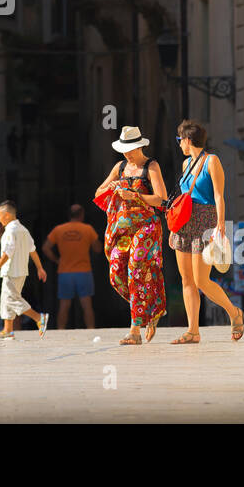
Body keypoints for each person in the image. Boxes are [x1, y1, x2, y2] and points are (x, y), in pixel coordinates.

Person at [169, 120, 244, 344]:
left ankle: (234, 313)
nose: (179, 144)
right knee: (186, 280)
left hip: (205, 220)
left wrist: (220, 223)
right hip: (184, 222)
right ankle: (193, 331)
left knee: (202, 280)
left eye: (179, 139)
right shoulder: (185, 165)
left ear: (188, 140)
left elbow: (219, 195)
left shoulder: (212, 161)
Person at [93, 126, 167, 344]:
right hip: (123, 228)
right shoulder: (120, 167)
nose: (127, 154)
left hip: (146, 226)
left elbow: (161, 199)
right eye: (124, 149)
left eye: (131, 149)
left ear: (140, 146)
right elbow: (98, 193)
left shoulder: (151, 166)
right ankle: (151, 310)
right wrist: (112, 187)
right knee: (116, 271)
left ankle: (135, 329)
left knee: (136, 268)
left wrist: (135, 196)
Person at [0, 201, 48, 338]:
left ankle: (39, 318)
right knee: (6, 299)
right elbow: (32, 251)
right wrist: (40, 268)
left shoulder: (10, 231)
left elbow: (7, 253)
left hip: (11, 271)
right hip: (20, 272)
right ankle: (8, 330)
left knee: (11, 299)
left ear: (7, 215)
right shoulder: (23, 230)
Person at [42, 204, 102, 330]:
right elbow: (98, 249)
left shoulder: (59, 229)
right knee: (86, 305)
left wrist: (57, 260)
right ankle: (90, 329)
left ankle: (60, 330)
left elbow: (45, 248)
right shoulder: (88, 229)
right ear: (82, 215)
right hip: (84, 271)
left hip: (65, 272)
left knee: (64, 305)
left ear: (69, 215)